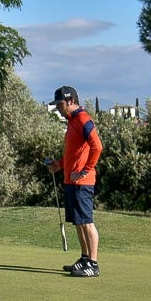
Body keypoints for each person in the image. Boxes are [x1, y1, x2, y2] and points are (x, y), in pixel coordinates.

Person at [47, 86, 103, 277]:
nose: (58, 108)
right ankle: (85, 258)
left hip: (83, 182)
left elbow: (97, 147)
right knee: (78, 222)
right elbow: (73, 155)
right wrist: (60, 165)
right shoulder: (72, 122)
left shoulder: (83, 119)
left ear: (71, 101)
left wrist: (84, 171)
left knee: (86, 222)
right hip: (71, 182)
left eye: (60, 104)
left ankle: (93, 265)